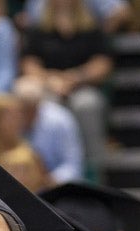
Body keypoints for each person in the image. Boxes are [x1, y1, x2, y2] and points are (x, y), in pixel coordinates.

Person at [20, 0, 112, 180]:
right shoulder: (38, 30)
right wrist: (50, 79)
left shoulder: (91, 29)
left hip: (82, 86)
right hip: (48, 87)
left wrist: (76, 77)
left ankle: (94, 170)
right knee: (48, 107)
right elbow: (29, 64)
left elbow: (102, 64)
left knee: (87, 104)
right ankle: (44, 170)